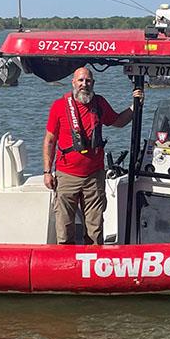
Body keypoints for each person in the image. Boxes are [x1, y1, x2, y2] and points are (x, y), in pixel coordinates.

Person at [43, 67, 143, 245]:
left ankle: (93, 266)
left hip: (94, 176)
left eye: (88, 81)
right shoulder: (59, 106)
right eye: (80, 81)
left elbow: (118, 121)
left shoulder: (100, 103)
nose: (84, 84)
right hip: (66, 176)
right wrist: (47, 171)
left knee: (95, 230)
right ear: (73, 83)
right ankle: (67, 267)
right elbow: (49, 140)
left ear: (93, 83)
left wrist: (135, 105)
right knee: (64, 229)